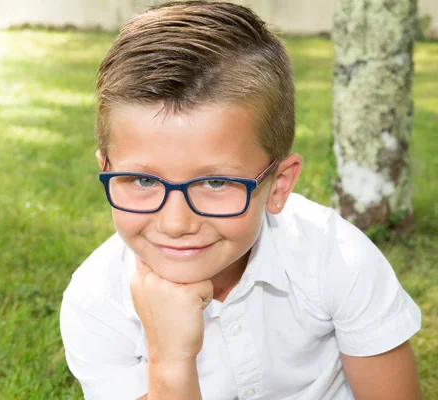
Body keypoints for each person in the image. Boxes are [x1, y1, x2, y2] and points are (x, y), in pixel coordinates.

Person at [59, 2, 423, 399]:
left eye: (216, 182)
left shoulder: (336, 260)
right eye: (143, 179)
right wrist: (169, 356)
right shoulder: (96, 303)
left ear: (279, 185)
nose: (176, 223)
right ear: (106, 168)